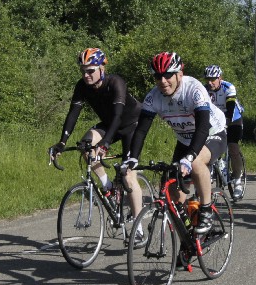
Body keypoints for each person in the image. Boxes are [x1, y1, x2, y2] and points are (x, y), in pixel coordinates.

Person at [125, 52, 227, 235]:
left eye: (168, 75)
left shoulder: (194, 89)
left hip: (212, 133)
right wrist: (133, 158)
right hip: (184, 140)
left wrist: (190, 157)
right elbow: (141, 131)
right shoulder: (153, 97)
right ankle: (188, 238)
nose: (163, 81)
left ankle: (206, 210)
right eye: (158, 77)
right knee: (172, 192)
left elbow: (203, 128)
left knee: (196, 163)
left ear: (180, 73)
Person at [49, 48, 144, 227]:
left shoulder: (115, 83)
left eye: (90, 71)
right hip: (109, 124)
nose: (86, 75)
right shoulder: (82, 86)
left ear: (102, 68)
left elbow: (118, 116)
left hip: (132, 125)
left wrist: (105, 142)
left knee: (128, 176)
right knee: (84, 146)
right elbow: (73, 114)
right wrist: (62, 142)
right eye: (83, 71)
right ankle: (107, 186)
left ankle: (138, 230)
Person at [203, 65, 246, 199]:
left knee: (233, 147)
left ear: (220, 78)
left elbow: (231, 108)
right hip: (215, 120)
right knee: (207, 145)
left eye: (213, 79)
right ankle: (211, 173)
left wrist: (225, 124)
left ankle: (237, 181)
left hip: (233, 119)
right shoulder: (204, 90)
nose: (210, 82)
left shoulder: (228, 87)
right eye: (208, 79)